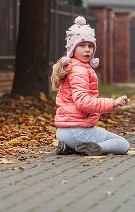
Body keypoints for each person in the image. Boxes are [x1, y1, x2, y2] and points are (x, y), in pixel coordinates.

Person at [51, 16, 130, 156]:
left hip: (63, 131)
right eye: (81, 46)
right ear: (72, 48)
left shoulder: (73, 67)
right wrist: (113, 103)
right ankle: (96, 148)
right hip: (76, 130)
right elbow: (82, 102)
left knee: (101, 135)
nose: (87, 50)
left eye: (90, 46)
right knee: (123, 144)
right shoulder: (79, 70)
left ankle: (68, 147)